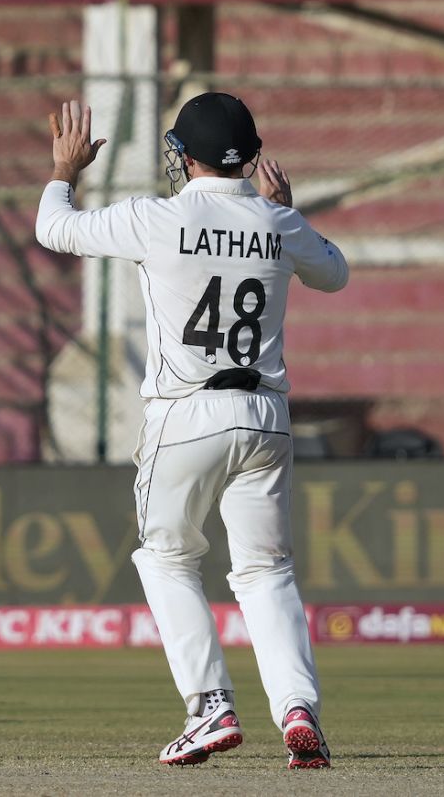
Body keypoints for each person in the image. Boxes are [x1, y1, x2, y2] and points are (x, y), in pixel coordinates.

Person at [35, 94, 348, 769]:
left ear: (184, 156)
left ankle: (209, 704)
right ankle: (299, 709)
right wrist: (286, 212)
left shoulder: (159, 217)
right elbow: (335, 271)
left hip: (187, 412)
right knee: (266, 571)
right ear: (252, 153)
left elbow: (52, 228)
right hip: (266, 415)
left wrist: (65, 169)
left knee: (167, 557)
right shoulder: (278, 220)